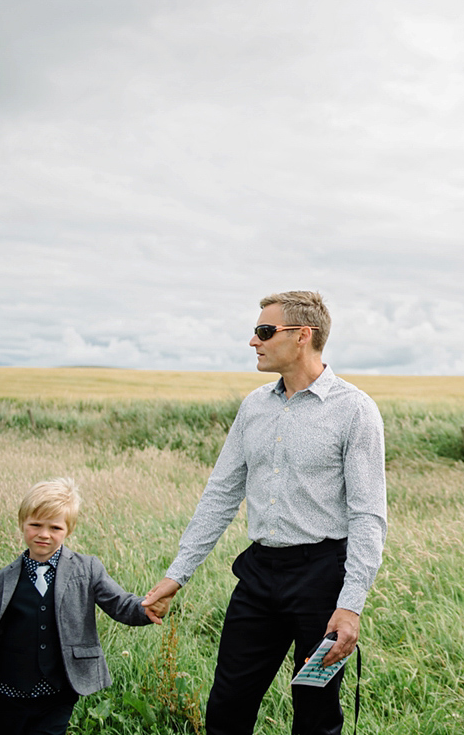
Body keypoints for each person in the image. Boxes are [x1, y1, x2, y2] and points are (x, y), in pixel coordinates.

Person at [142, 290, 387, 735]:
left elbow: (368, 516)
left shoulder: (355, 410)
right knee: (227, 707)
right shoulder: (254, 406)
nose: (253, 342)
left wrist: (350, 605)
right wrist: (177, 575)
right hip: (258, 574)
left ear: (302, 336)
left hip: (322, 576)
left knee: (315, 714)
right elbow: (221, 494)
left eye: (264, 332)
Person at [0, 477, 165, 735]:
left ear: (68, 530)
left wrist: (144, 608)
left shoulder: (87, 568)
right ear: (22, 524)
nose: (44, 534)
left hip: (58, 692)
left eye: (55, 528)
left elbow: (119, 602)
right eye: (35, 525)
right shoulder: (2, 580)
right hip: (9, 693)